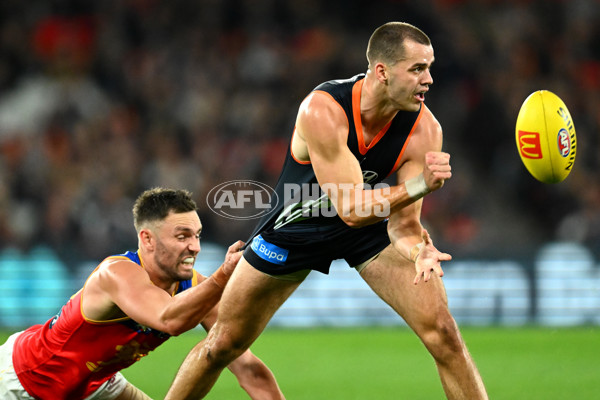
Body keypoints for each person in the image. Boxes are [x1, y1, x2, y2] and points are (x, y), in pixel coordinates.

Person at [166, 22, 488, 399]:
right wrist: (419, 185)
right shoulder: (324, 110)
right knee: (223, 344)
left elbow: (403, 227)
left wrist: (420, 250)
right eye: (418, 69)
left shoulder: (424, 130)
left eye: (429, 67)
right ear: (382, 72)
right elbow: (350, 206)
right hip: (295, 227)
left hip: (366, 228)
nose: (429, 79)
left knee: (444, 333)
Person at [0, 187, 284, 400]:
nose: (195, 247)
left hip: (95, 383)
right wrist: (223, 276)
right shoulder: (116, 274)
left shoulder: (196, 288)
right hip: (24, 380)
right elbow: (168, 320)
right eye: (182, 236)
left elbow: (246, 366)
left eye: (197, 235)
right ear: (147, 239)